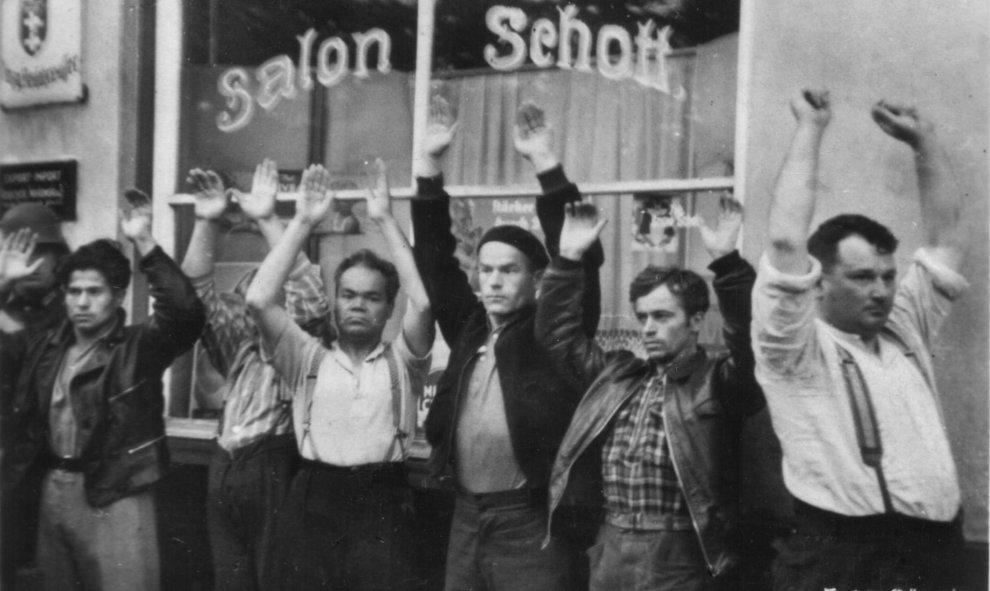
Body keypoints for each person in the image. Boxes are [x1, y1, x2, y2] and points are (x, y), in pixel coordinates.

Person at [752, 89, 971, 591]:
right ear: (820, 281)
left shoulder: (902, 326)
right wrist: (810, 127)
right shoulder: (793, 348)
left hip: (934, 552)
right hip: (847, 558)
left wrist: (924, 142)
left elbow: (947, 241)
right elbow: (786, 242)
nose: (881, 291)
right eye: (862, 278)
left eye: (887, 276)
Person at [411, 98, 604, 591]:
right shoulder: (472, 326)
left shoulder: (554, 333)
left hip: (530, 523)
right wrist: (429, 170)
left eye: (509, 270)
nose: (493, 282)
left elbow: (579, 260)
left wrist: (545, 164)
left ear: (539, 280)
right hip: (466, 515)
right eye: (486, 269)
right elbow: (434, 263)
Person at [536, 197, 765, 591]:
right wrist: (569, 258)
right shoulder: (619, 373)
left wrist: (728, 264)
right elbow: (557, 338)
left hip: (679, 549)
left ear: (695, 321)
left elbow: (750, 344)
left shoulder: (716, 379)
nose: (648, 328)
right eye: (642, 317)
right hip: (611, 542)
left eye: (662, 316)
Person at [1, 190, 206, 591]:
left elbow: (184, 313)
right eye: (74, 292)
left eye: (94, 292)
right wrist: (4, 280)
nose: (82, 302)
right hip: (53, 489)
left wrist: (143, 240)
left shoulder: (138, 347)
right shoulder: (44, 346)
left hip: (118, 491)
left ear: (117, 295)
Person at [245, 161, 433, 590]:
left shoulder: (403, 360)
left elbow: (421, 303)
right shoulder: (305, 357)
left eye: (372, 297)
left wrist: (385, 219)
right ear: (333, 301)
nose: (358, 305)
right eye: (347, 294)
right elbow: (259, 299)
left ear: (388, 308)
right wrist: (303, 221)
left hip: (384, 499)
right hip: (313, 495)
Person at [181, 159, 331, 591]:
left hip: (275, 469)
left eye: (268, 299)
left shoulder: (302, 351)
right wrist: (207, 223)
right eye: (250, 298)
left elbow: (309, 298)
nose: (258, 307)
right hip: (224, 468)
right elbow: (196, 304)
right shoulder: (241, 350)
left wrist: (269, 219)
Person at [0, 203, 70, 336]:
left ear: (57, 257)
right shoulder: (8, 308)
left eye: (39, 251)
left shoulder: (73, 310)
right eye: (21, 251)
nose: (31, 262)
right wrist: (3, 286)